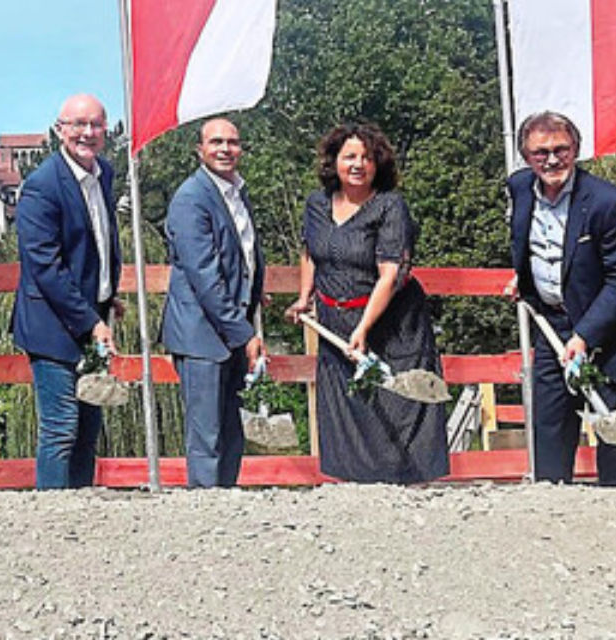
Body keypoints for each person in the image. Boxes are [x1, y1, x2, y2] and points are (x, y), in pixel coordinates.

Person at [286, 123, 448, 484]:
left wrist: (363, 329)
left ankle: (409, 488)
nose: (358, 164)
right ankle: (356, 493)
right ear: (335, 162)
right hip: (333, 322)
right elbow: (311, 252)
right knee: (348, 409)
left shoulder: (390, 207)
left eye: (367, 157)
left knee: (394, 405)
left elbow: (390, 275)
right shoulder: (316, 203)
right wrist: (304, 297)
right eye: (350, 157)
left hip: (389, 325)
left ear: (378, 164)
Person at [506, 110, 616, 486]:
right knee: (549, 427)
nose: (552, 160)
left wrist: (586, 335)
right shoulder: (520, 187)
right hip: (552, 325)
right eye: (541, 152)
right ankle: (552, 511)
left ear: (576, 149)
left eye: (561, 149)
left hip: (610, 331)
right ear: (527, 156)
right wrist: (523, 281)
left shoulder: (610, 203)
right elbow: (532, 245)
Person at [12, 94, 121, 490]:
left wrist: (108, 294)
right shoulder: (41, 187)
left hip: (92, 318)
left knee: (89, 430)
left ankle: (82, 509)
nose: (87, 133)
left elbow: (97, 243)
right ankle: (54, 516)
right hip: (52, 326)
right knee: (61, 429)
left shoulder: (104, 174)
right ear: (60, 129)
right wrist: (92, 322)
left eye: (95, 125)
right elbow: (46, 267)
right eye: (78, 124)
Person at [162, 117, 265, 487]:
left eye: (233, 142)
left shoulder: (235, 192)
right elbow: (203, 275)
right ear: (199, 149)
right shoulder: (192, 198)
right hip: (201, 334)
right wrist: (244, 333)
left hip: (229, 328)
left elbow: (242, 258)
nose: (225, 149)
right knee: (206, 437)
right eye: (216, 142)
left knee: (230, 432)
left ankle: (225, 505)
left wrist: (252, 306)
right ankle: (204, 514)